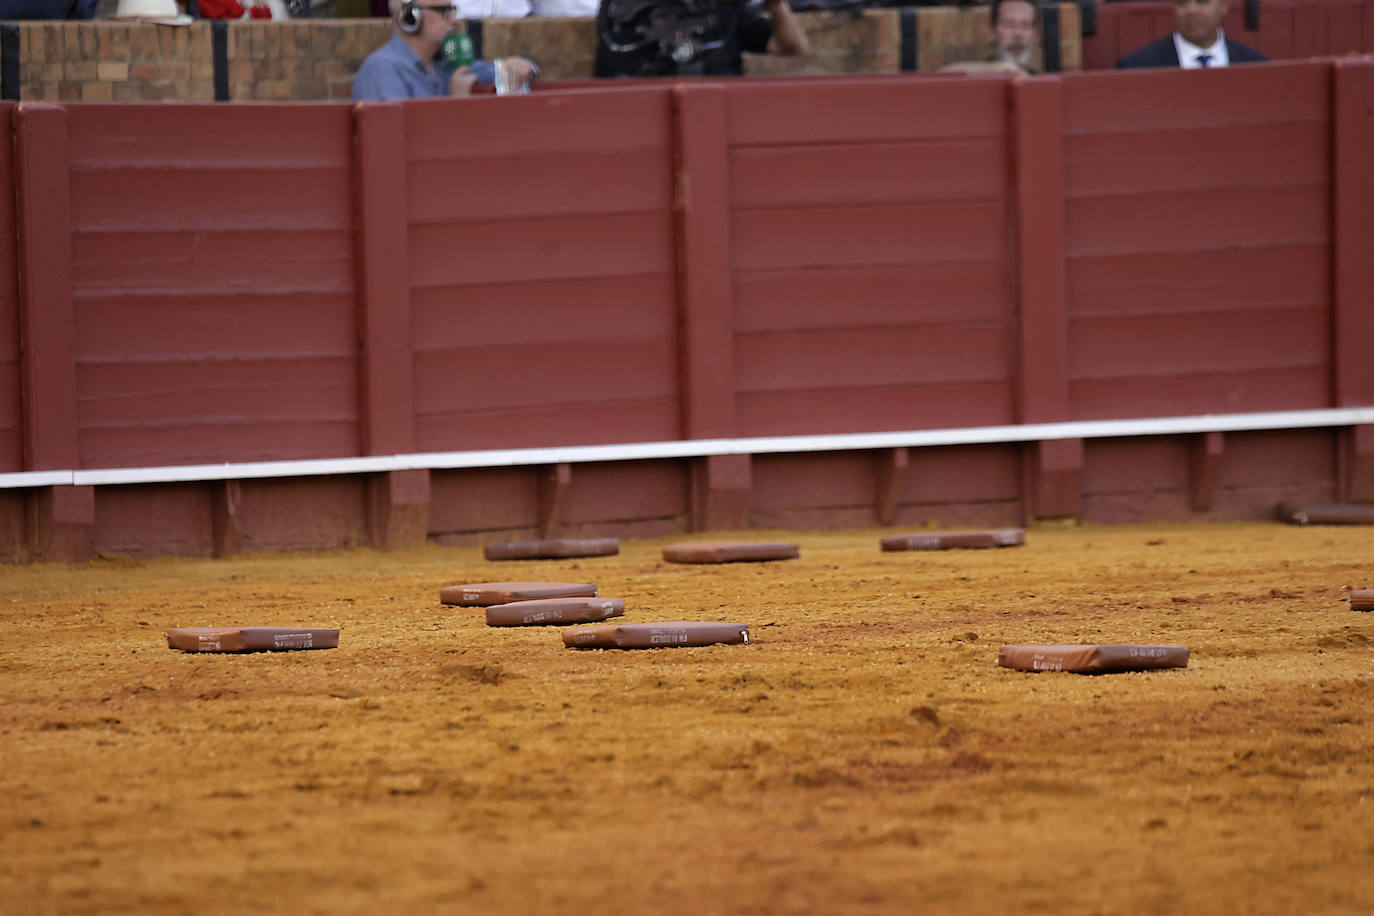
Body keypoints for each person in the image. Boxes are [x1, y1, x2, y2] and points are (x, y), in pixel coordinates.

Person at [352, 0, 537, 101]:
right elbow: (394, 142)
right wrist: (454, 104)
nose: (455, 19)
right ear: (410, 17)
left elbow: (496, 71)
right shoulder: (381, 70)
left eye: (454, 10)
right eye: (444, 11)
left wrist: (522, 66)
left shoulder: (444, 63)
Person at [594, 0, 809, 78]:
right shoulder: (625, 13)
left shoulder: (724, 9)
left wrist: (777, 5)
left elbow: (789, 45)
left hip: (724, 118)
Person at [1117, 0, 1266, 69]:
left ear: (1223, 7)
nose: (1191, 10)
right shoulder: (1137, 66)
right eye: (1182, 3)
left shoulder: (1257, 65)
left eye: (1202, 1)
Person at [939, 0, 1039, 75]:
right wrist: (997, 68)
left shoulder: (1040, 80)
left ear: (1035, 35)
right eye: (1009, 25)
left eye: (1026, 26)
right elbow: (942, 75)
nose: (1018, 34)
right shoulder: (981, 74)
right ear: (992, 33)